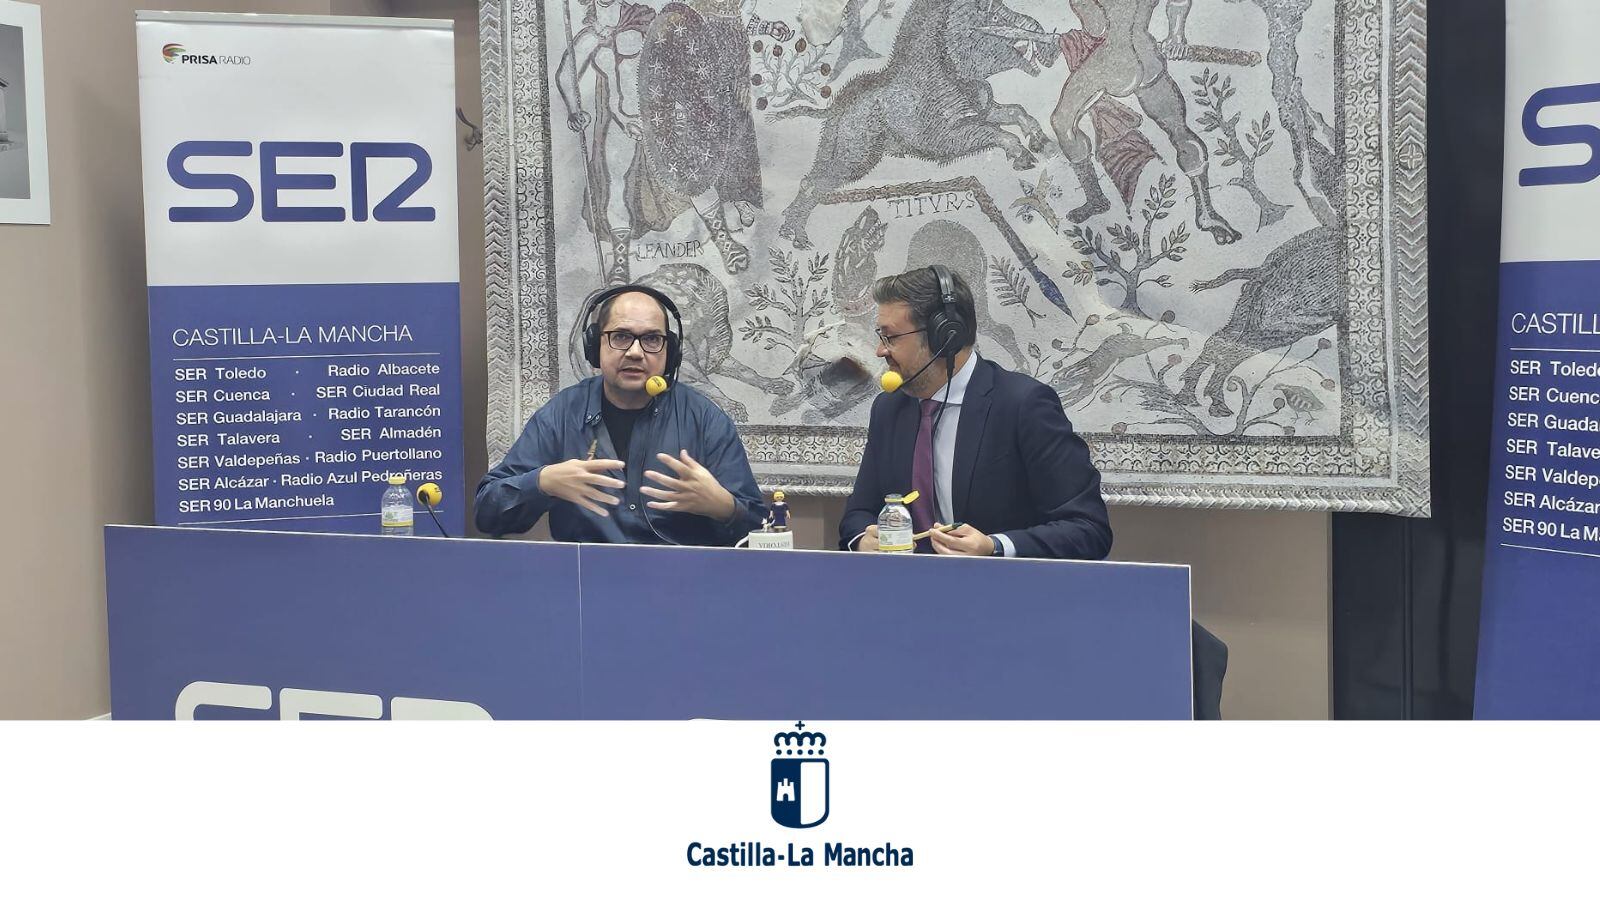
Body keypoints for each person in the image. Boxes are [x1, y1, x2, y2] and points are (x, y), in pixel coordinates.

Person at [839, 266, 1113, 559]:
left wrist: (994, 547)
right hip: (906, 591)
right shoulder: (889, 408)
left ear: (945, 335)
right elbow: (858, 514)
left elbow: (1088, 529)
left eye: (891, 338)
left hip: (1001, 594)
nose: (881, 351)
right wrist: (863, 540)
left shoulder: (1024, 405)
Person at [476, 284, 765, 544]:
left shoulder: (704, 420)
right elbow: (488, 513)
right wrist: (542, 482)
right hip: (585, 590)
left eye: (652, 339)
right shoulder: (562, 415)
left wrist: (724, 507)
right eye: (621, 336)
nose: (636, 352)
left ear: (671, 352)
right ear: (594, 346)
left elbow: (760, 530)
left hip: (680, 590)